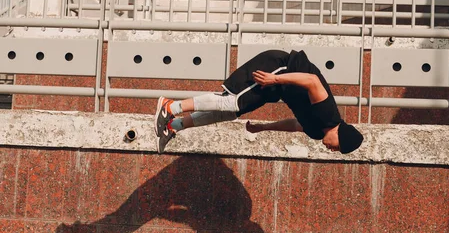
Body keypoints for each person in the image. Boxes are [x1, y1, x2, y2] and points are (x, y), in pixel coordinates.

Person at [154, 49, 364, 155]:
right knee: (232, 102)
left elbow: (294, 124)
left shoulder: (318, 131)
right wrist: (275, 78)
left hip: (278, 86)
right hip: (281, 68)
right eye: (338, 148)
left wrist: (263, 127)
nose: (333, 151)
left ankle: (174, 125)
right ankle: (170, 107)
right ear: (339, 134)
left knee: (230, 113)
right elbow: (312, 81)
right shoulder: (329, 115)